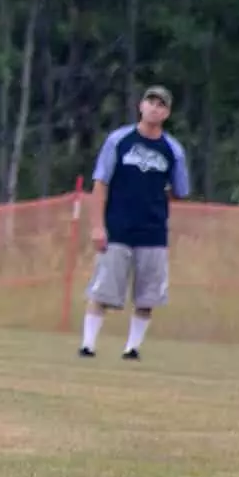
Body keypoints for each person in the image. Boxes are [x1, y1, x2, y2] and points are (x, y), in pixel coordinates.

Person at [80, 86, 190, 362]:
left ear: (167, 113)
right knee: (103, 289)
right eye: (150, 102)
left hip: (152, 231)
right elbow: (101, 184)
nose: (155, 108)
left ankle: (132, 348)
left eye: (161, 105)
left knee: (147, 296)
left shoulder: (172, 150)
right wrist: (97, 225)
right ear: (140, 106)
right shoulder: (119, 140)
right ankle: (88, 345)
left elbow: (180, 189)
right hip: (117, 227)